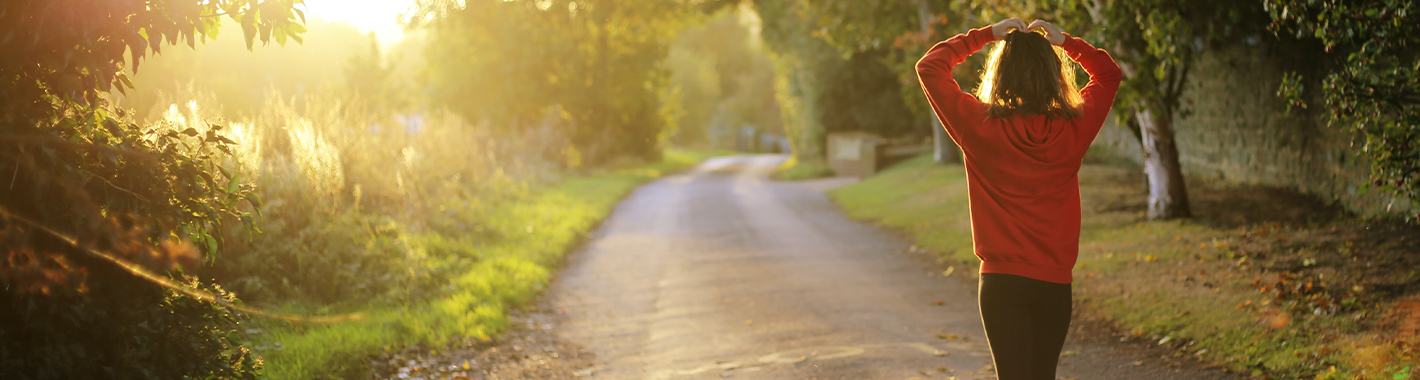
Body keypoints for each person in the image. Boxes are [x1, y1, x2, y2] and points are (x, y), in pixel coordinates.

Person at [914, 17, 1122, 380]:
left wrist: (985, 35)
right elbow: (1108, 75)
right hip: (1055, 284)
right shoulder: (1074, 126)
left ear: (1001, 73)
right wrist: (1066, 43)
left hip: (1001, 283)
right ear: (1054, 74)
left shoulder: (978, 126)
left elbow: (930, 67)